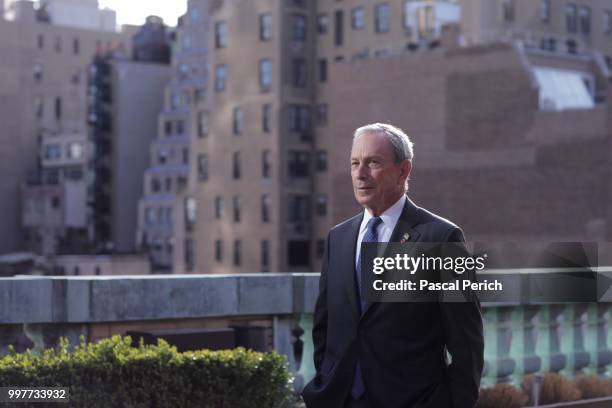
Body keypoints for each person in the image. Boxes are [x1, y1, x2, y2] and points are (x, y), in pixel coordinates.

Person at [301, 123, 484, 408]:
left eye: (373, 162)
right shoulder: (339, 238)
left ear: (404, 170)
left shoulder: (440, 237)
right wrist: (327, 383)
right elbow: (324, 327)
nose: (360, 174)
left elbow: (467, 342)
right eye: (354, 163)